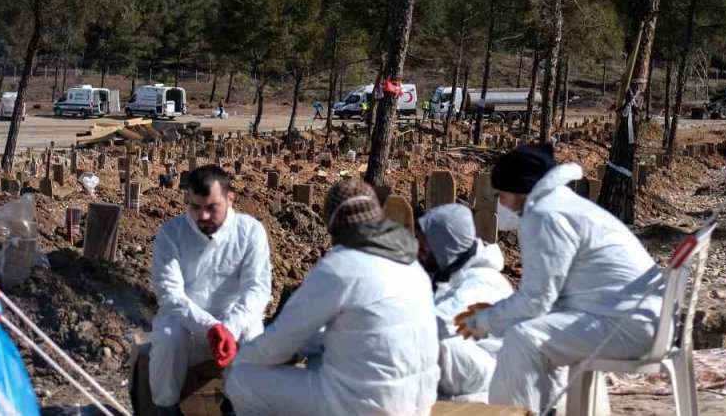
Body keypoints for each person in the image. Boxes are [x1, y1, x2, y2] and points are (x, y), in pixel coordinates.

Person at [455, 144, 662, 414]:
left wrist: (484, 321)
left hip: (628, 326)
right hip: (634, 318)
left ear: (520, 190)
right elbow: (550, 298)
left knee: (524, 337)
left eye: (501, 194)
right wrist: (495, 314)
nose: (500, 203)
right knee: (536, 334)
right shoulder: (562, 205)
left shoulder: (546, 215)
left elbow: (535, 302)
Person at [224, 178, 439, 415]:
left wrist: (242, 357)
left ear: (335, 224)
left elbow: (279, 343)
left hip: (363, 406)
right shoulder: (411, 264)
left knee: (242, 378)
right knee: (318, 356)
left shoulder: (340, 266)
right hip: (418, 401)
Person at [149, 165, 271, 416]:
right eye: (195, 207)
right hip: (189, 325)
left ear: (230, 199)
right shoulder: (172, 234)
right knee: (168, 336)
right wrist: (210, 327)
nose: (203, 216)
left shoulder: (249, 232)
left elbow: (257, 289)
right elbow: (169, 294)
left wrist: (229, 327)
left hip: (234, 324)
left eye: (211, 207)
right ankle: (165, 408)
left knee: (254, 339)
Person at [418, 204, 513, 402]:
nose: (420, 246)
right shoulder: (449, 274)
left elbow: (441, 324)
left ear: (444, 245)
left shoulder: (483, 282)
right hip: (472, 370)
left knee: (436, 341)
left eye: (426, 242)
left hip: (492, 376)